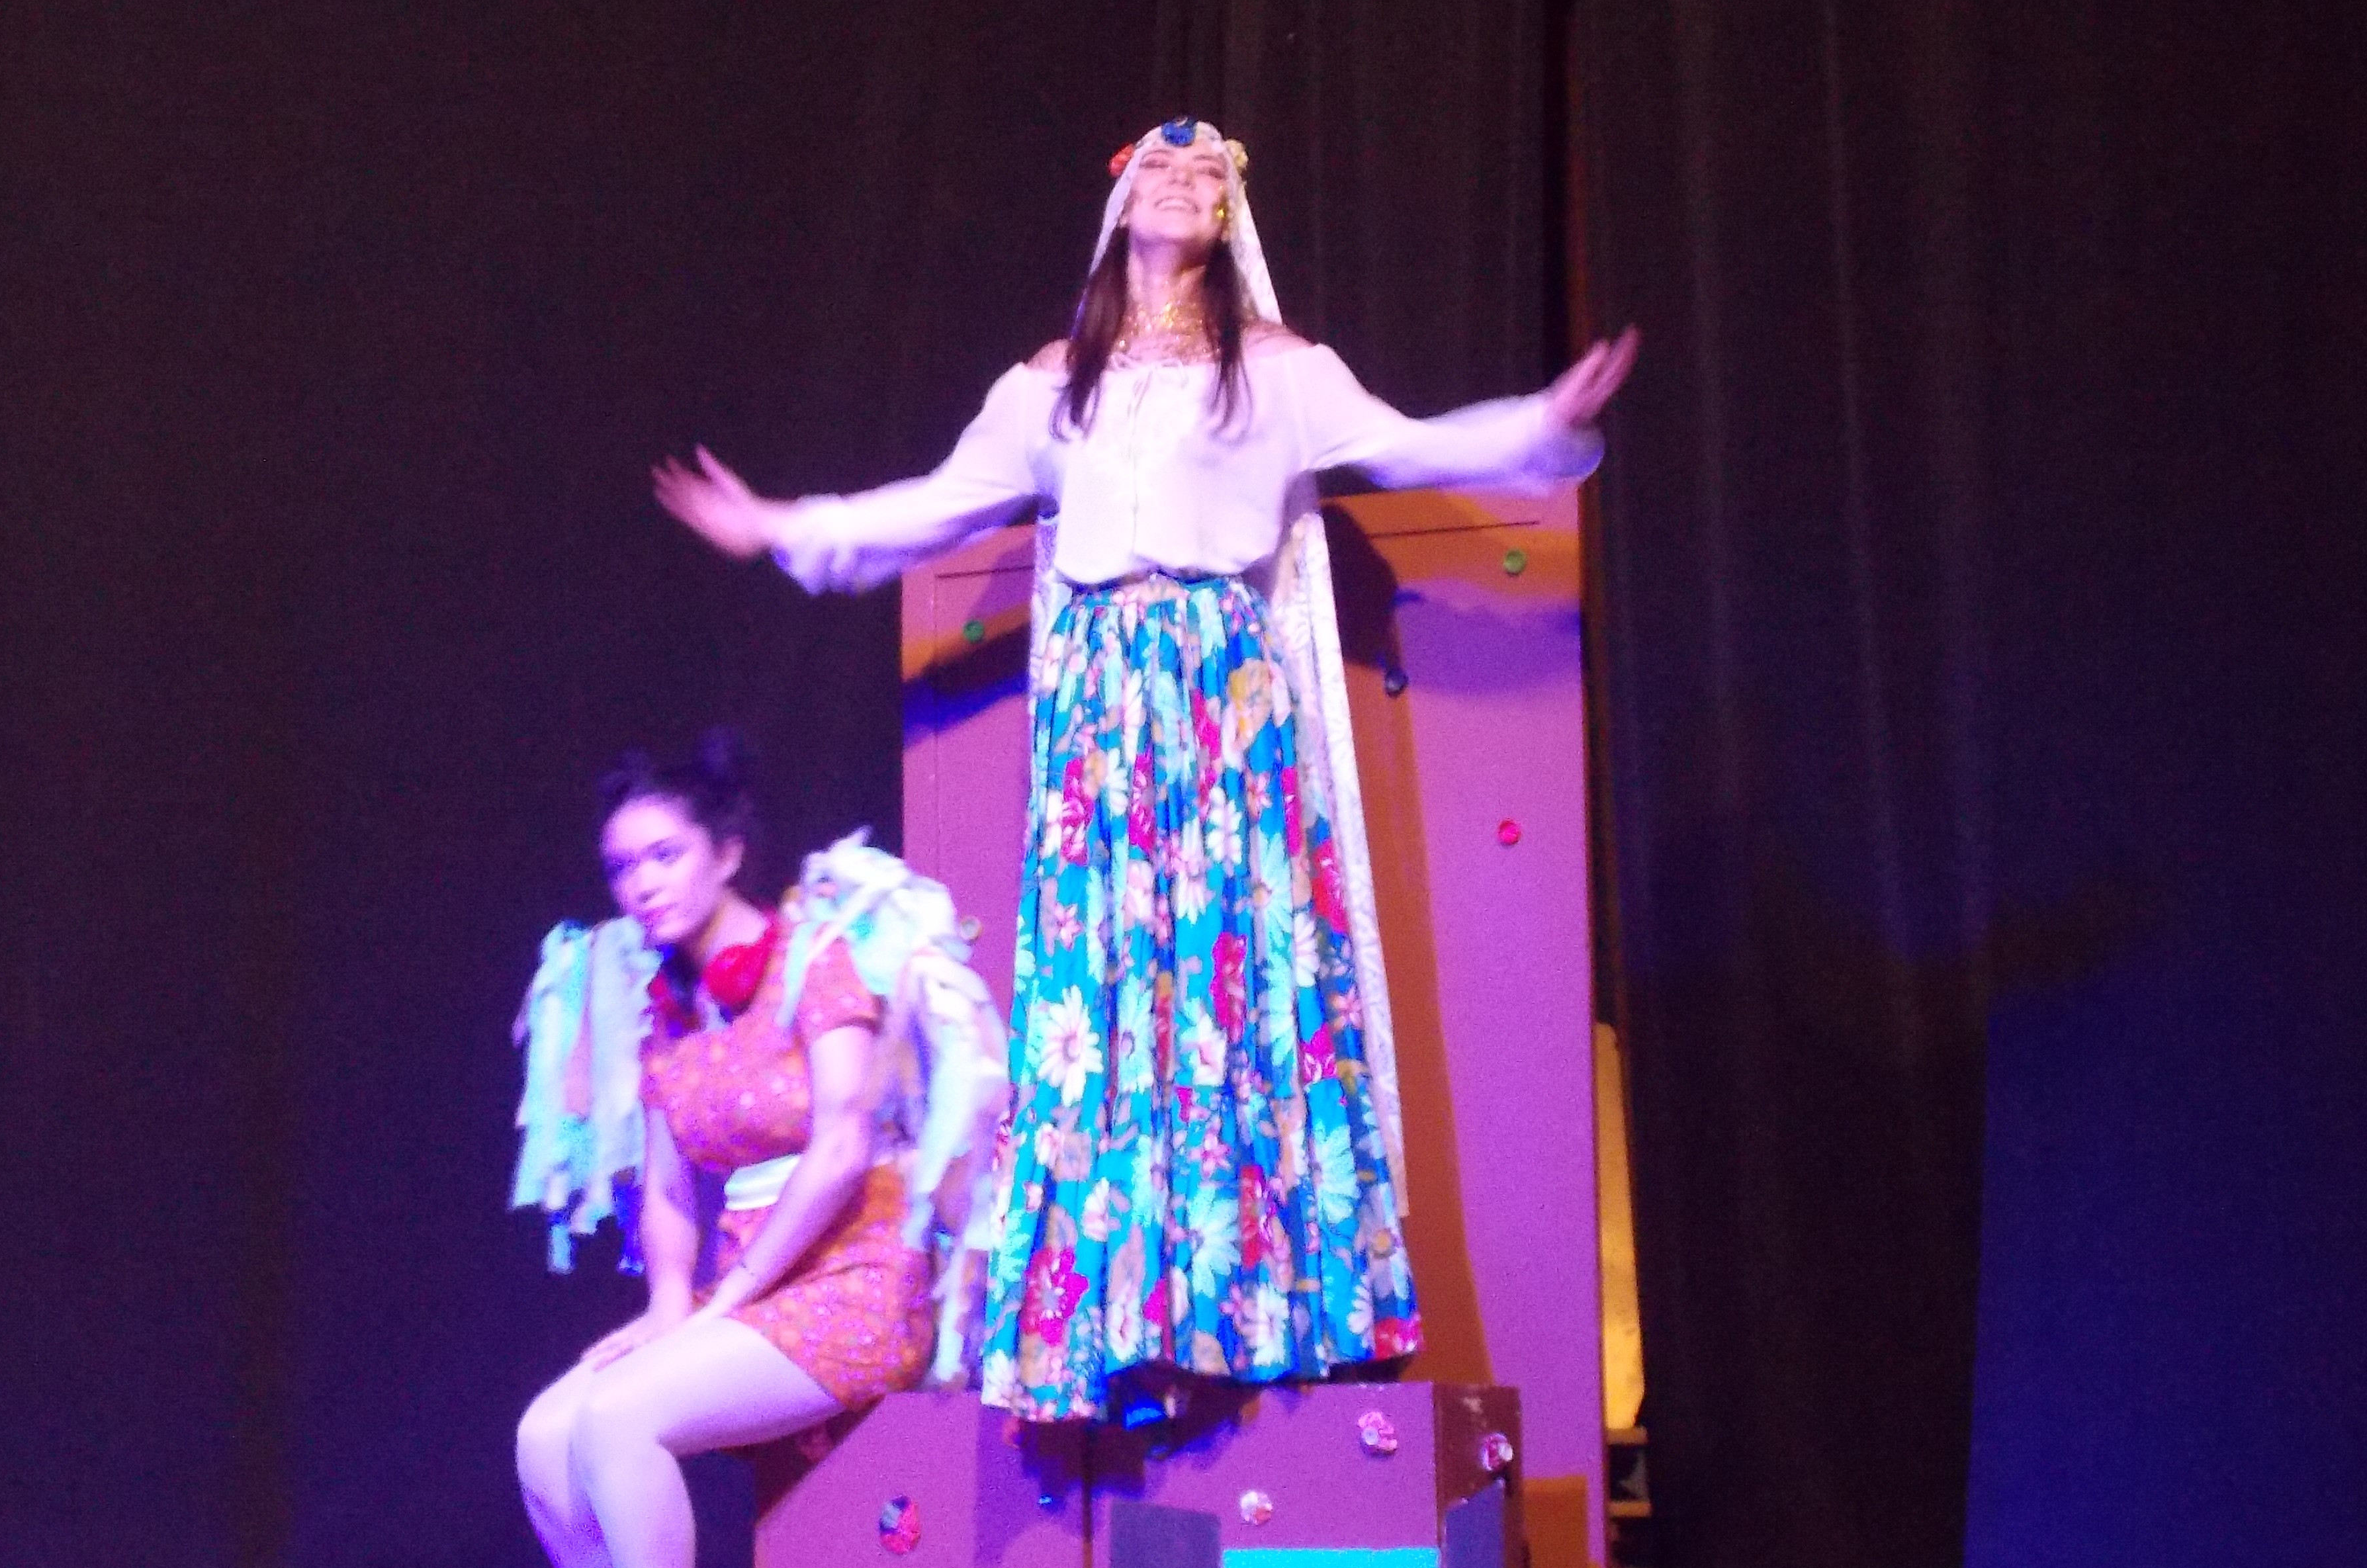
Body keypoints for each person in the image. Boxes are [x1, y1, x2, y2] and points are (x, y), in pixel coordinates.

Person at [656, 118, 1638, 1423]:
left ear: (1231, 216)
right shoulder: (1049, 384)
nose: (1181, 183)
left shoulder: (1279, 370)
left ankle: (1258, 1307)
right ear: (1120, 206)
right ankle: (1118, 1319)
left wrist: (1542, 424)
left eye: (1206, 173)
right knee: (1106, 997)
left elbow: (1411, 449)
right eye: (1159, 169)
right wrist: (783, 524)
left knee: (1234, 976)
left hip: (1219, 692)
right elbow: (934, 505)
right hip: (1097, 710)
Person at [514, 739, 941, 1568]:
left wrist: (727, 1298)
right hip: (745, 1294)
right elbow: (667, 1192)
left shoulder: (817, 961)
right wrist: (670, 1304)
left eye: (664, 856)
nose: (640, 885)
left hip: (855, 1282)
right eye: (622, 867)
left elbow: (841, 1145)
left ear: (728, 855)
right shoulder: (667, 1011)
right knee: (546, 1433)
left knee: (621, 1418)